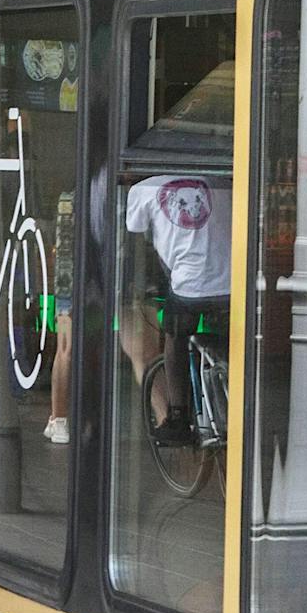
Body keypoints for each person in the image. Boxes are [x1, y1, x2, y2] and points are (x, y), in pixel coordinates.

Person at [124, 172, 232, 447]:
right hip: (233, 284)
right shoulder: (222, 180)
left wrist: (141, 286)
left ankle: (177, 417)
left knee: (175, 336)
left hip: (189, 286)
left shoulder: (143, 189)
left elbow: (136, 247)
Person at [45, 189, 75, 444]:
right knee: (67, 349)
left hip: (69, 285)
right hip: (72, 285)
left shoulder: (69, 199)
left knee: (66, 349)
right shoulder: (71, 200)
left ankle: (59, 418)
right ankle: (59, 418)